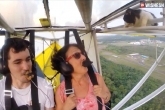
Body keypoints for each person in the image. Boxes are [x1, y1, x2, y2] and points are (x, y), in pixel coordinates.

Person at [51, 43, 111, 110]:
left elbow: (107, 97)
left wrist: (103, 95)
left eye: (83, 54)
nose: (84, 57)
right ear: (65, 65)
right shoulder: (61, 92)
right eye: (77, 55)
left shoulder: (97, 78)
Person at [0, 38, 55, 110]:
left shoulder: (46, 87)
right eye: (18, 62)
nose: (26, 67)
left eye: (28, 59)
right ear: (5, 66)